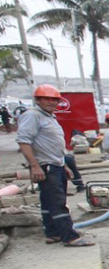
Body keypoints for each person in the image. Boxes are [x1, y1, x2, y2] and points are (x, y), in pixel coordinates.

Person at [15, 84, 94, 247]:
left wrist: (62, 164)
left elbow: (52, 145)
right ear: (38, 100)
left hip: (54, 164)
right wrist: (35, 166)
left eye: (54, 100)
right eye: (47, 99)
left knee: (47, 200)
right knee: (58, 202)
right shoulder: (33, 116)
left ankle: (53, 233)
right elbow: (24, 141)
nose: (51, 102)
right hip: (46, 166)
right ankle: (70, 237)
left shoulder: (48, 116)